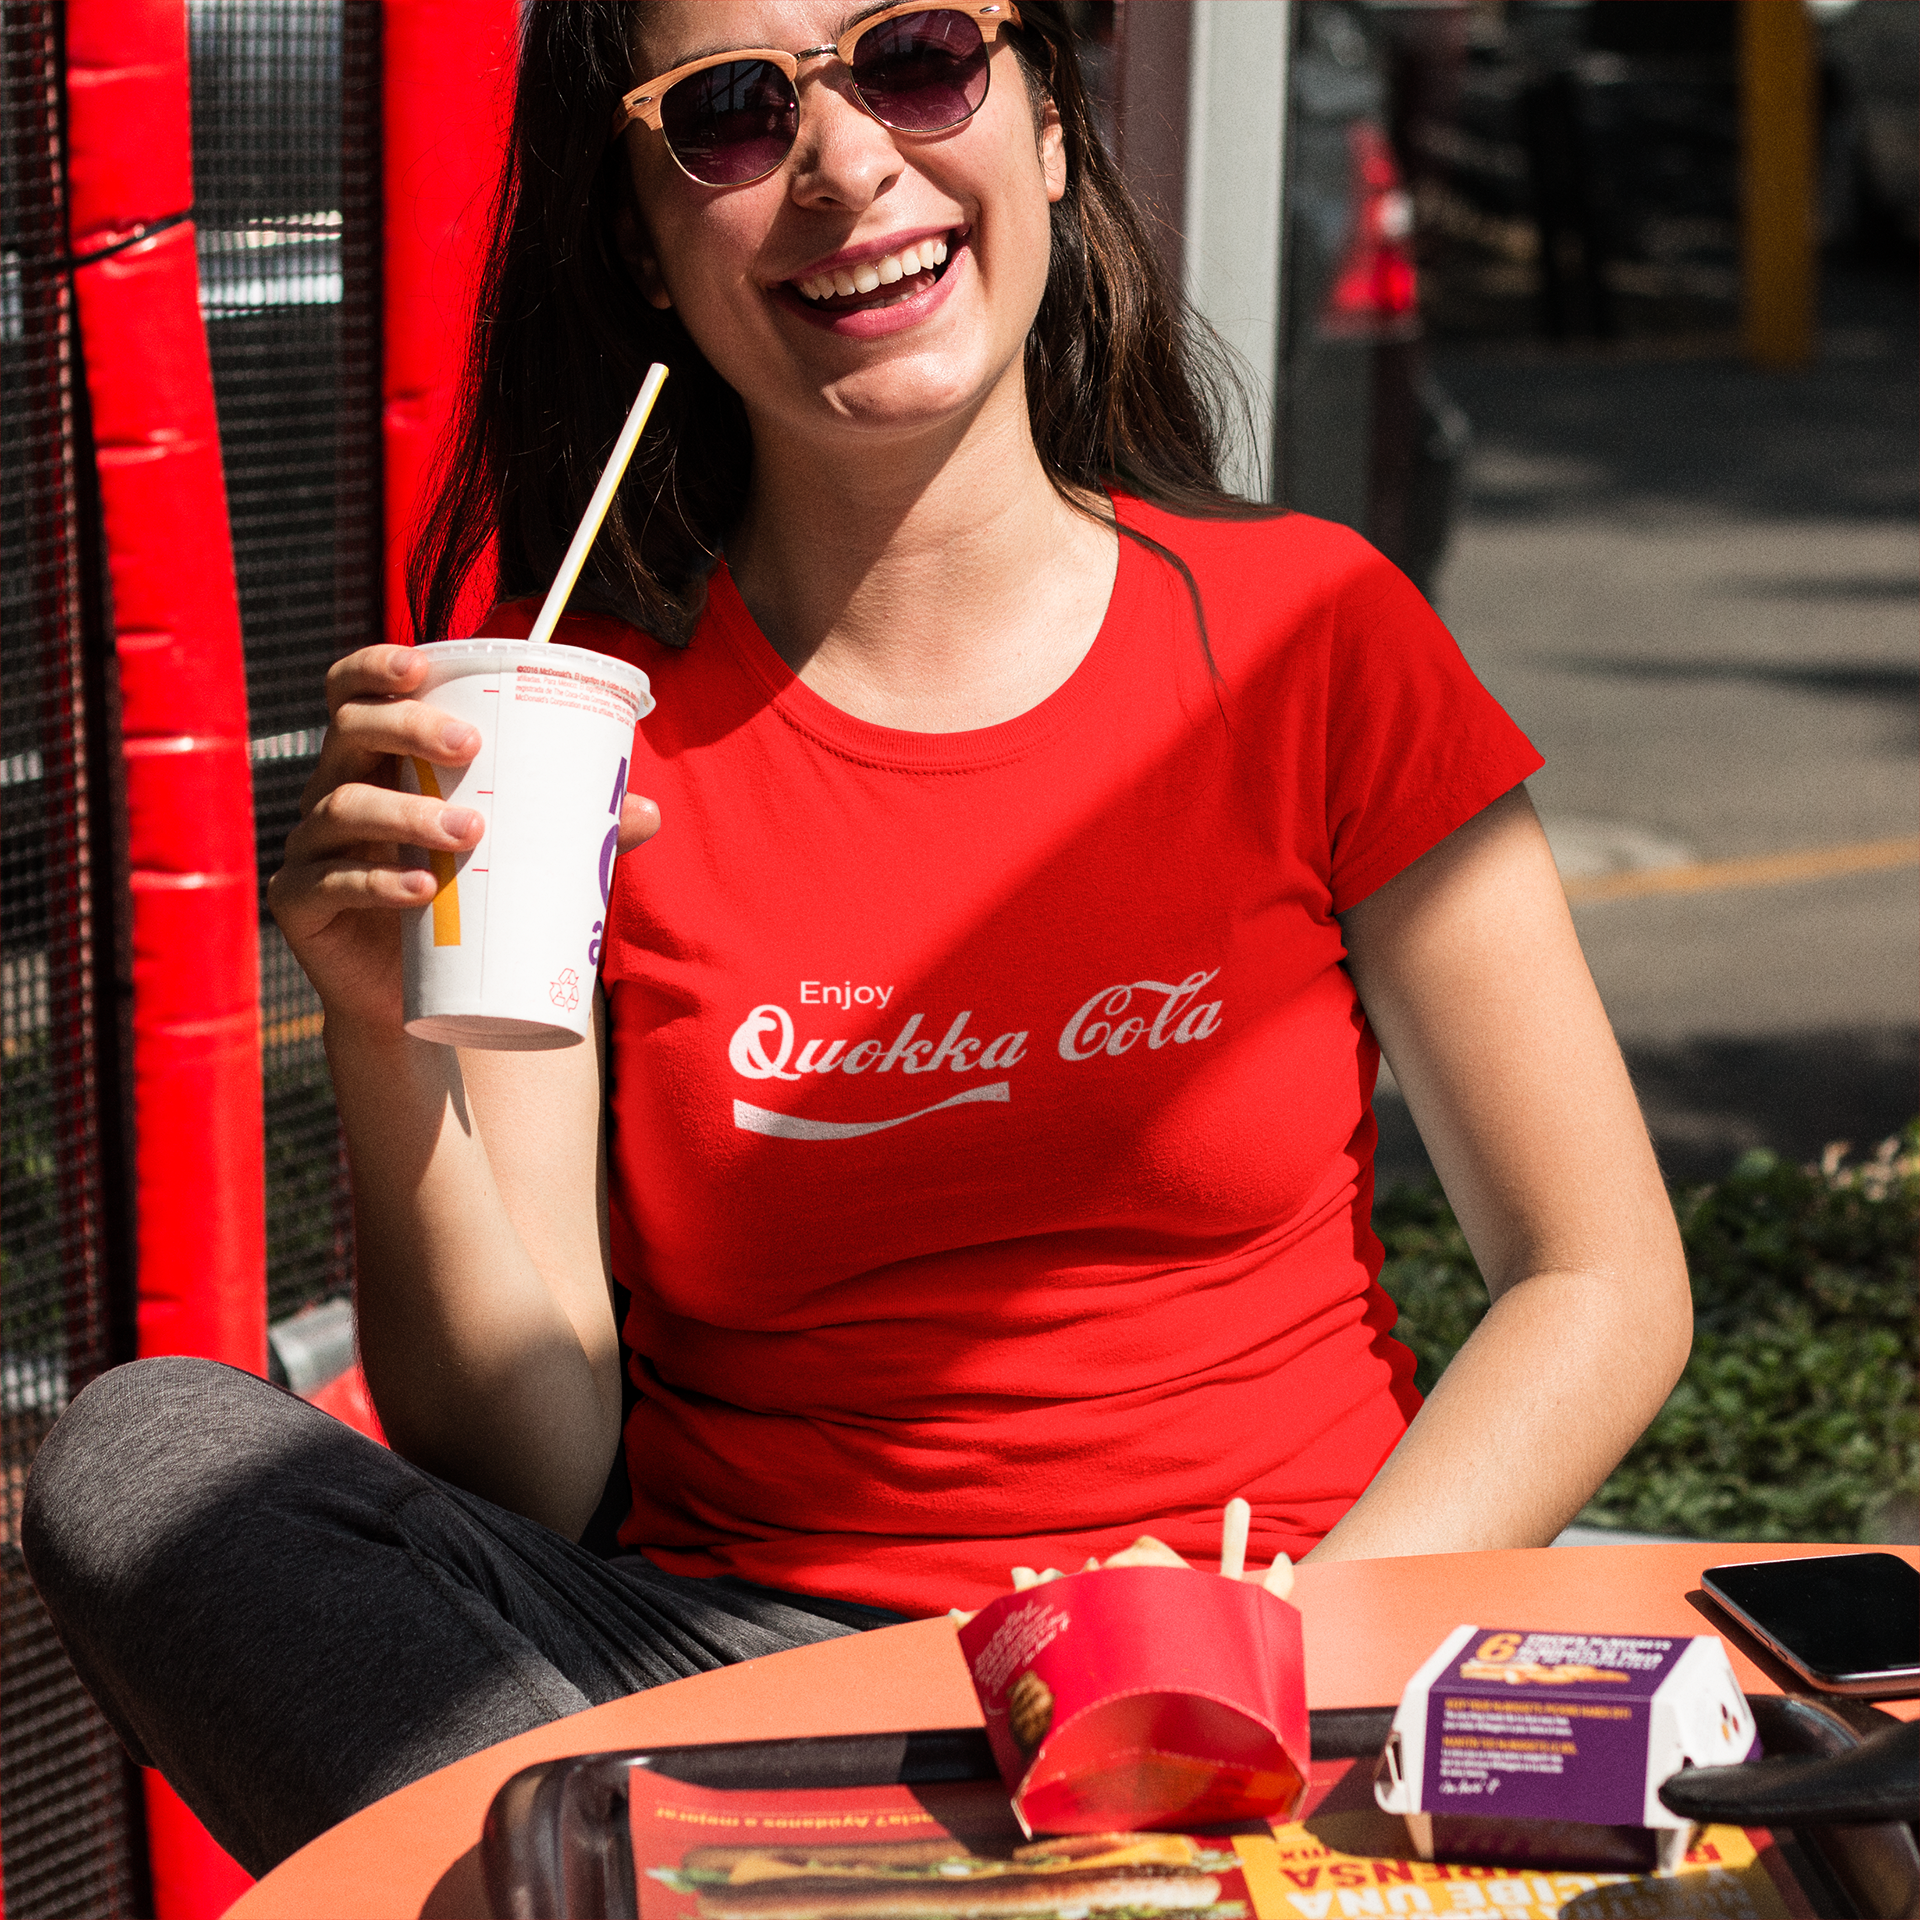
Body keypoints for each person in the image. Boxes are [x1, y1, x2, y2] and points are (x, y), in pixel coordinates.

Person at [23, 0, 1691, 1878]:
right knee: (143, 1459)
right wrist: (381, 1042)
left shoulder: (1315, 634)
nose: (844, 164)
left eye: (914, 58)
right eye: (730, 116)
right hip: (763, 1682)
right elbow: (530, 1461)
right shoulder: (580, 730)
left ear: (1052, 127)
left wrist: (1280, 1666)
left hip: (1283, 1633)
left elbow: (1600, 1280)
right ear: (646, 246)